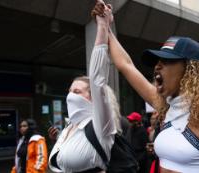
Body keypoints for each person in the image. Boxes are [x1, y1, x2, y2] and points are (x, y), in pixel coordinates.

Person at [92, 3, 199, 172]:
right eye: (157, 62)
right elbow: (126, 65)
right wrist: (106, 25)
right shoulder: (165, 107)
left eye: (167, 61)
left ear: (190, 70)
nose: (157, 66)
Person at [48, 3, 122, 172]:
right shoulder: (69, 127)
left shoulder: (100, 124)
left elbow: (97, 79)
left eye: (77, 92)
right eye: (69, 92)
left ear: (92, 97)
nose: (70, 97)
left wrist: (103, 27)